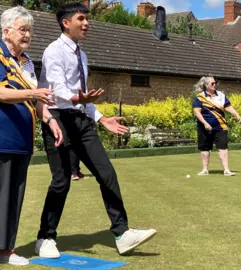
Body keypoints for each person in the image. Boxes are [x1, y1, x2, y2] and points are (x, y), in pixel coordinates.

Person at [35, 2, 156, 258]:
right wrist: (79, 100)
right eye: (81, 18)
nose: (87, 23)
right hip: (57, 119)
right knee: (61, 181)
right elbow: (57, 91)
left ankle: (122, 234)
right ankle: (45, 238)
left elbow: (83, 98)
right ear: (66, 22)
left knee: (107, 173)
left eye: (87, 19)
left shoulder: (82, 55)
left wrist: (101, 119)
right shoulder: (53, 51)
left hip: (81, 120)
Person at [0, 6, 62, 270]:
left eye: (30, 31)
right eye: (23, 29)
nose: (27, 35)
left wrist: (50, 119)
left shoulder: (26, 62)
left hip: (21, 139)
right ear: (6, 30)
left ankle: (6, 249)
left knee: (15, 195)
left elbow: (36, 97)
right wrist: (35, 95)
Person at [192, 76, 241, 176]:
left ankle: (226, 170)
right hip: (204, 127)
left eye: (215, 83)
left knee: (223, 147)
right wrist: (205, 123)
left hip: (220, 126)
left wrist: (237, 115)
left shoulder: (220, 95)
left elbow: (228, 107)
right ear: (206, 85)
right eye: (212, 83)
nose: (215, 85)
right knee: (205, 148)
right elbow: (197, 113)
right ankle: (205, 169)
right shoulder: (200, 97)